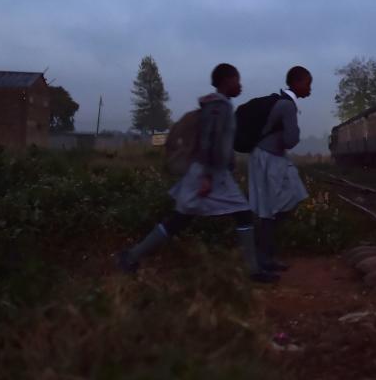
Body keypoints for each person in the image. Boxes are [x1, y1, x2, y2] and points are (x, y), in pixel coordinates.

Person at [118, 63, 279, 283]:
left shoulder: (222, 106)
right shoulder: (218, 107)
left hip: (213, 173)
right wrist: (206, 177)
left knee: (186, 219)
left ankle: (132, 256)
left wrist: (226, 164)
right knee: (188, 219)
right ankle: (253, 270)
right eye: (237, 80)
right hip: (208, 173)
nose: (240, 85)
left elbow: (221, 141)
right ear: (226, 81)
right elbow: (208, 140)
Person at [248, 65, 312, 270]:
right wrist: (294, 131)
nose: (310, 88)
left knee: (288, 198)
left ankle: (264, 252)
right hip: (268, 158)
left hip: (271, 157)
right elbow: (291, 139)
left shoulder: (283, 102)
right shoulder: (287, 106)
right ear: (296, 82)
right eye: (307, 83)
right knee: (269, 208)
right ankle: (263, 257)